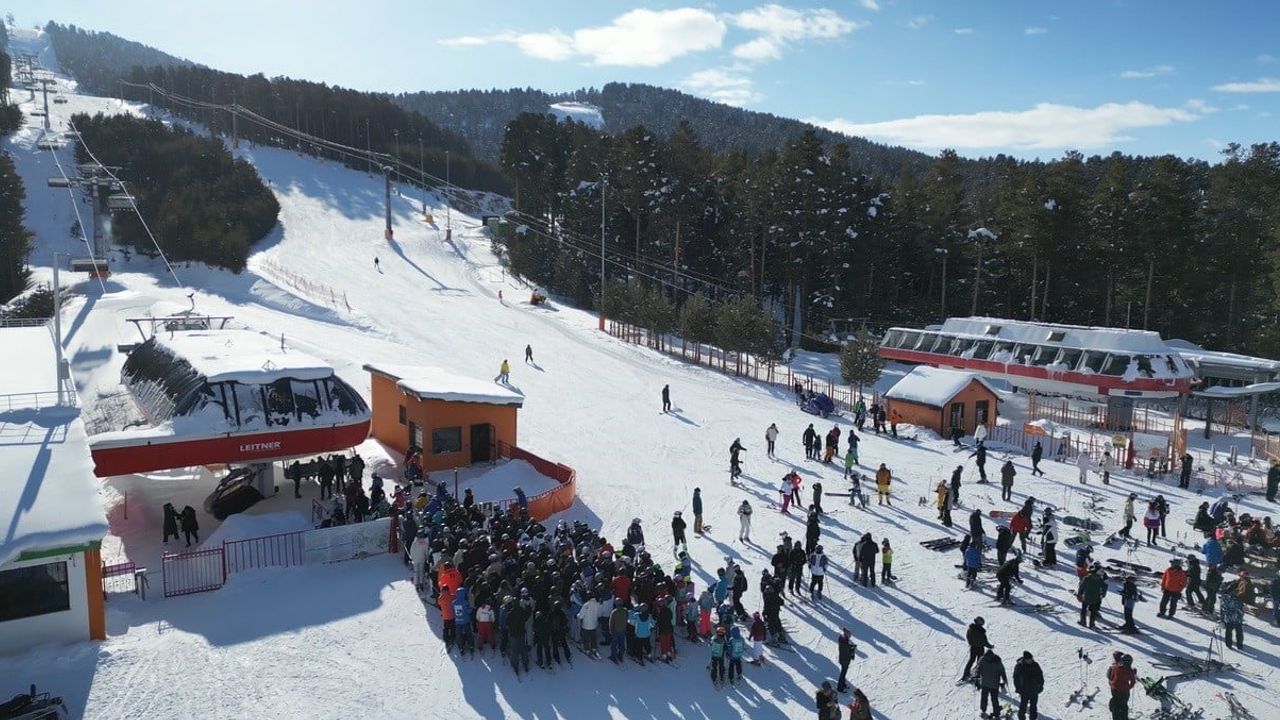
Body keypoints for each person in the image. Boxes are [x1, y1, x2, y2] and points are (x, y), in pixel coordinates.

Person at [1219, 573, 1250, 650]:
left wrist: (1222, 619)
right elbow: (1241, 607)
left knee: (1229, 631)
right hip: (1237, 617)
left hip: (1228, 617)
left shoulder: (1224, 598)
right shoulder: (1238, 597)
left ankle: (1228, 644)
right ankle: (1239, 645)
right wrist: (1242, 613)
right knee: (1238, 631)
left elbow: (1222, 609)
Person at [978, 648, 1008, 719]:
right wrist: (1004, 680)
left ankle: (983, 710)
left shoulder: (982, 659)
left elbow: (979, 669)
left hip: (985, 683)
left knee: (984, 698)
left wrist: (978, 677)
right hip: (994, 684)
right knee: (994, 699)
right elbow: (1002, 671)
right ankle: (996, 713)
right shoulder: (997, 661)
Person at [1013, 651, 1043, 720]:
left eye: (1031, 659)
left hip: (1034, 690)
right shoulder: (1019, 666)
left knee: (1033, 708)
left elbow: (1040, 677)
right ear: (1025, 659)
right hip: (1024, 691)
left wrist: (1040, 687)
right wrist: (1018, 689)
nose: (1030, 661)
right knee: (1023, 707)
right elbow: (1016, 679)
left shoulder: (1035, 665)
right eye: (1028, 659)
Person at [1107, 652, 1136, 720]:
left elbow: (1111, 677)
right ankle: (1124, 718)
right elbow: (1132, 682)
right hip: (1124, 691)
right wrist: (1128, 687)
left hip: (1114, 688)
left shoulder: (1115, 668)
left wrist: (1111, 683)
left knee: (1116, 703)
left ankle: (1115, 717)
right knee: (1124, 705)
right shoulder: (1130, 671)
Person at [962, 616, 992, 680]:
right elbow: (984, 641)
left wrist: (971, 643)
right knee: (980, 661)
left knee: (971, 660)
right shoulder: (981, 631)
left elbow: (968, 637)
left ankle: (966, 674)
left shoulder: (970, 628)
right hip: (980, 648)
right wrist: (990, 646)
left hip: (973, 648)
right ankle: (978, 674)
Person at [836, 627, 856, 692]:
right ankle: (840, 688)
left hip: (844, 659)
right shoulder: (844, 642)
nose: (850, 637)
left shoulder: (843, 639)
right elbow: (846, 649)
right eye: (849, 635)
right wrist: (852, 647)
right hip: (844, 660)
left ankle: (843, 684)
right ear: (846, 634)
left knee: (844, 673)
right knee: (843, 674)